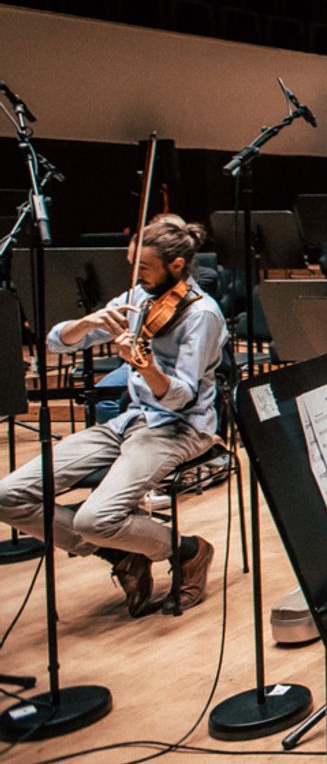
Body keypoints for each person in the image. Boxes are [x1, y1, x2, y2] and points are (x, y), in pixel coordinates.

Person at [0, 216, 223, 615]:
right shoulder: (138, 296)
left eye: (145, 267)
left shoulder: (201, 315)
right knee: (8, 496)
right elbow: (57, 341)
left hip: (179, 428)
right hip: (128, 421)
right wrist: (87, 322)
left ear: (176, 265)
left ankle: (187, 551)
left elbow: (181, 398)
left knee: (94, 519)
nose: (136, 275)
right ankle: (123, 553)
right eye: (133, 265)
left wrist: (146, 366)